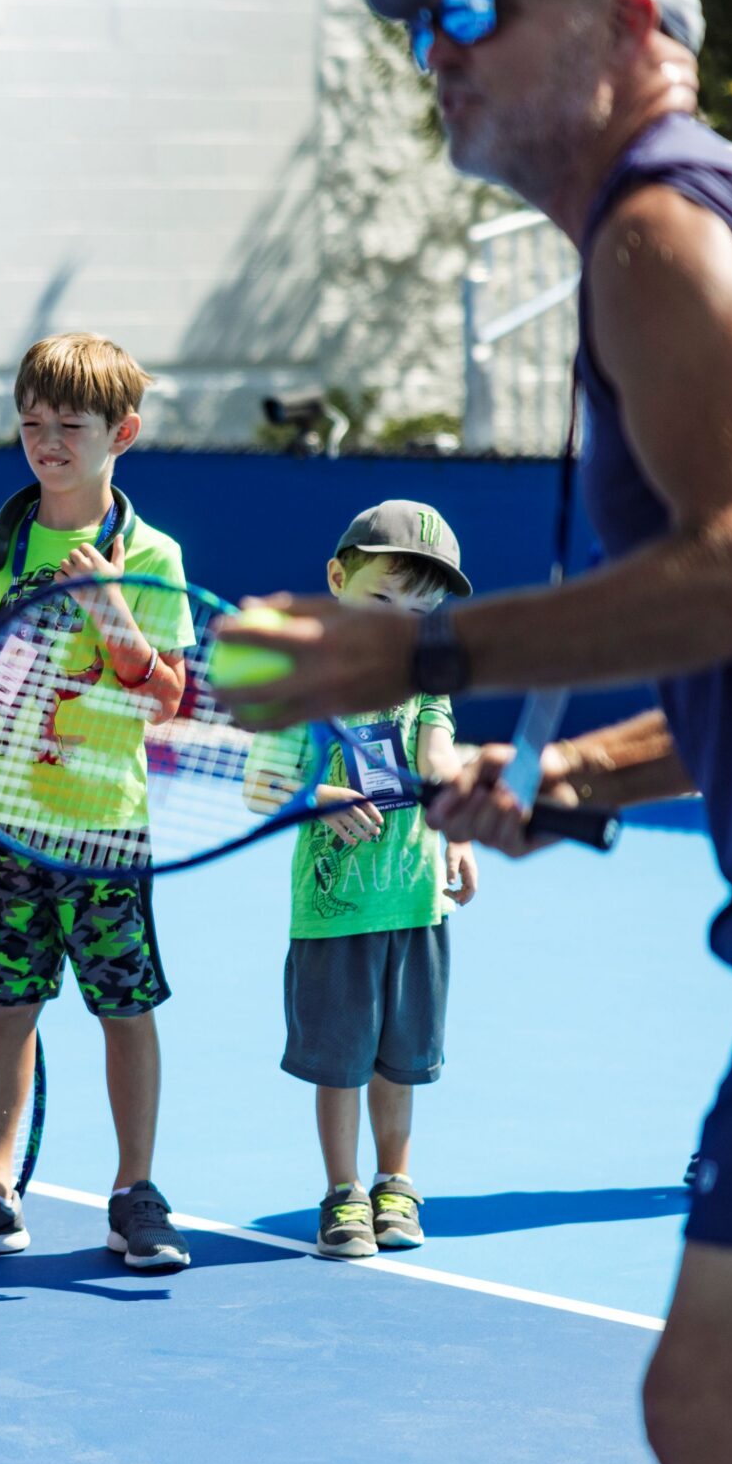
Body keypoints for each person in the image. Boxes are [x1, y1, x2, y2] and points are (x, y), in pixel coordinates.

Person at [219, 0, 732, 1464]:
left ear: (632, 24)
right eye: (420, 21)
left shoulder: (659, 235)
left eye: (477, 2)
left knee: (712, 1407)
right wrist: (579, 772)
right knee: (728, 1412)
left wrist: (416, 649)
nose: (440, 47)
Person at [0, 333, 197, 1274]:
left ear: (125, 433)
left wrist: (110, 609)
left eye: (71, 426)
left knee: (124, 1005)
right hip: (11, 823)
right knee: (9, 1001)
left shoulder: (152, 553)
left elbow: (170, 699)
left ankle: (135, 1192)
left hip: (106, 823)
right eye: (33, 424)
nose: (48, 443)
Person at [248, 504, 481, 1258]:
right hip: (332, 913)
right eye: (380, 600)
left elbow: (440, 759)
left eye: (418, 611)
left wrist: (456, 825)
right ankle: (343, 1191)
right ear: (337, 578)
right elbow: (263, 788)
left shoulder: (428, 682)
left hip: (417, 906)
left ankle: (396, 1182)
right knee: (340, 1064)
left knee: (401, 1060)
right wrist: (320, 797)